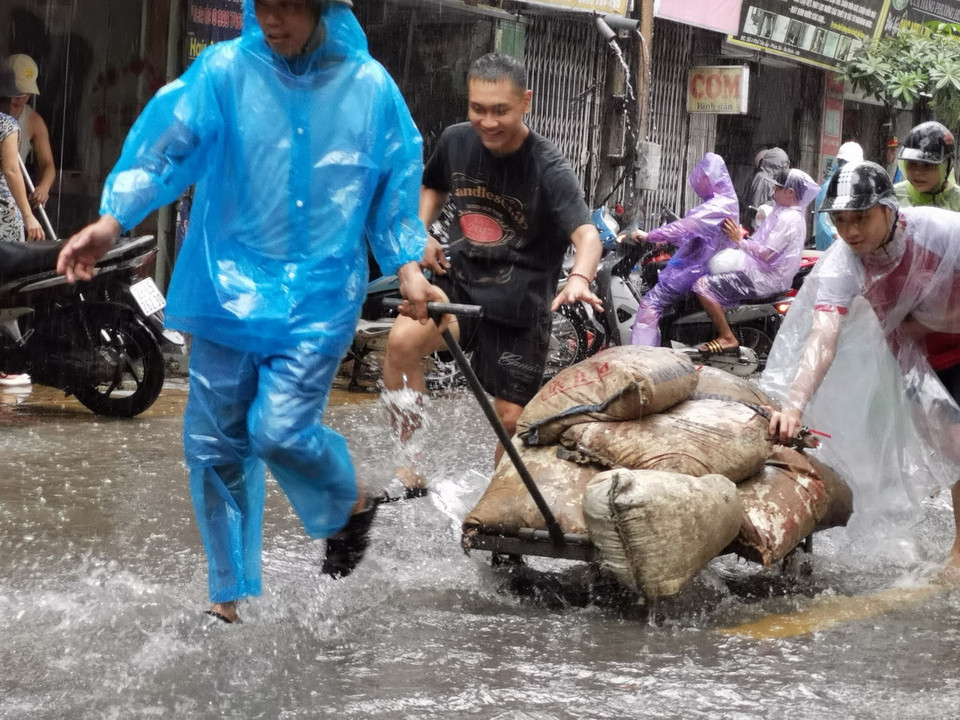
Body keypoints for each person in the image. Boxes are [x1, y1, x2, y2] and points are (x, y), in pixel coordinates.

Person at [56, 0, 434, 624]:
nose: (274, 18)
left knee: (278, 430)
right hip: (224, 288)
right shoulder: (225, 71)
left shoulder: (369, 87)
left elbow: (395, 182)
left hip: (316, 298)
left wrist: (408, 265)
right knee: (214, 445)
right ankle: (227, 596)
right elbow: (165, 147)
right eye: (267, 5)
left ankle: (346, 500)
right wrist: (112, 219)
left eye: (290, 6)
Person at [382, 52, 603, 490]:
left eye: (499, 110)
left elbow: (587, 235)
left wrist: (579, 278)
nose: (487, 121)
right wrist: (420, 234)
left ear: (526, 102)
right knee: (401, 341)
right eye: (477, 108)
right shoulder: (455, 140)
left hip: (520, 308)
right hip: (460, 286)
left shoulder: (549, 167)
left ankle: (495, 505)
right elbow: (433, 184)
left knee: (510, 418)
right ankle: (408, 466)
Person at [763, 161, 960, 574]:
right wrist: (795, 406)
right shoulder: (843, 263)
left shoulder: (942, 231)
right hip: (917, 360)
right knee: (951, 450)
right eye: (840, 220)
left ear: (889, 209)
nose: (850, 232)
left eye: (861, 218)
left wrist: (926, 323)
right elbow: (822, 336)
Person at [692, 167, 819, 355]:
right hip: (762, 271)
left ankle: (727, 336)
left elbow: (766, 254)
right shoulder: (786, 213)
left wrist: (739, 240)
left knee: (702, 286)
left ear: (790, 192)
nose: (772, 192)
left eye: (777, 188)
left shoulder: (788, 218)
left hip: (763, 278)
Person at [621, 153, 739, 348]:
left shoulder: (718, 205)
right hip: (702, 263)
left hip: (697, 268)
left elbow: (684, 227)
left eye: (700, 176)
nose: (697, 180)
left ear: (709, 177)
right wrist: (666, 239)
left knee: (651, 302)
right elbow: (698, 235)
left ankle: (641, 356)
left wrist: (650, 236)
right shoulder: (724, 201)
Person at [893, 121, 960, 406]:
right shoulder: (891, 199)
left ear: (947, 165)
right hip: (900, 333)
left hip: (953, 339)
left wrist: (933, 322)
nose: (917, 173)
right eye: (911, 165)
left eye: (927, 166)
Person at [0, 68, 43, 388]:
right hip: (3, 215)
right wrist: (28, 216)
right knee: (10, 288)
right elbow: (13, 171)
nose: (22, 101)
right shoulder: (7, 125)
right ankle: (7, 363)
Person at [3, 55, 56, 208]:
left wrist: (44, 187)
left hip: (11, 199)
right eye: (18, 90)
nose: (23, 97)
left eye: (27, 91)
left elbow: (48, 164)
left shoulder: (33, 121)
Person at [814, 141, 863, 250]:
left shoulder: (845, 184)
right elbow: (826, 219)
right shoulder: (833, 185)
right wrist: (841, 240)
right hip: (831, 245)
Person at [742, 146, 790, 230]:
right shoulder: (764, 181)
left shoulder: (761, 177)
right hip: (758, 227)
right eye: (783, 165)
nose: (785, 169)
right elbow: (759, 207)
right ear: (775, 164)